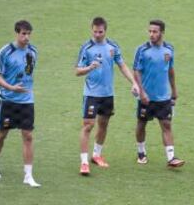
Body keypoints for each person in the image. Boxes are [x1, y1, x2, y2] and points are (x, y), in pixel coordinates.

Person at [75, 17, 139, 175]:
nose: (97, 34)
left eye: (100, 32)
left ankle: (96, 155)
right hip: (91, 94)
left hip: (107, 94)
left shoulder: (112, 46)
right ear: (92, 30)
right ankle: (84, 162)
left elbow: (122, 65)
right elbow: (77, 71)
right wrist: (89, 67)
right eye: (95, 31)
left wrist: (134, 82)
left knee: (103, 125)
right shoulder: (86, 47)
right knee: (88, 125)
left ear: (105, 31)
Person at [0, 20, 41, 187]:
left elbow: (29, 73)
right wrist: (12, 87)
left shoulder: (33, 52)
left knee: (28, 136)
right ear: (17, 33)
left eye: (28, 34)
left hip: (27, 101)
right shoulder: (5, 52)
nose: (26, 37)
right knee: (2, 135)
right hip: (8, 100)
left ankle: (28, 176)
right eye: (23, 34)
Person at [133, 19, 185, 167]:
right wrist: (141, 92)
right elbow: (136, 71)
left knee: (166, 125)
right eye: (150, 31)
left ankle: (171, 158)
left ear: (162, 32)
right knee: (141, 124)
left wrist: (174, 90)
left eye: (155, 32)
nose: (151, 34)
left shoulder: (169, 49)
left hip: (164, 97)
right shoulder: (142, 50)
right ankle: (141, 152)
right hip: (146, 97)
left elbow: (170, 70)